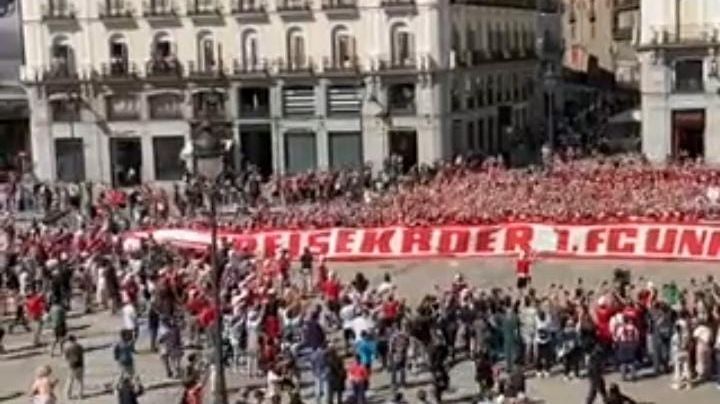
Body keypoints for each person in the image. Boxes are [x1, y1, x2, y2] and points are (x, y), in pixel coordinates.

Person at [63, 335, 85, 400]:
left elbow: (65, 357)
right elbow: (82, 353)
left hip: (71, 365)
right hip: (80, 365)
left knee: (70, 381)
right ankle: (80, 395)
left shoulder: (66, 348)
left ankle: (68, 395)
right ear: (75, 339)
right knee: (80, 381)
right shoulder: (79, 346)